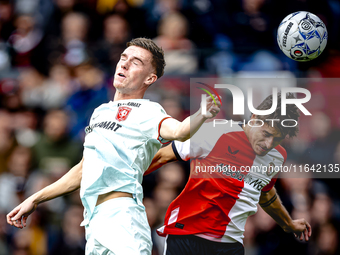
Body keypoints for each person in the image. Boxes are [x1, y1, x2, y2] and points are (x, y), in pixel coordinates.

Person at [6, 38, 221, 255]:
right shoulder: (100, 112)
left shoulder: (148, 111)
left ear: (150, 78)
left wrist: (203, 112)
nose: (125, 64)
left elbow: (179, 131)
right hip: (92, 219)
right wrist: (35, 199)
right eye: (123, 58)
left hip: (123, 217)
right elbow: (83, 170)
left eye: (136, 62)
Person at [145, 93, 312, 255]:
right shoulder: (216, 132)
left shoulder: (277, 156)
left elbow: (266, 194)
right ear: (254, 118)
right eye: (266, 134)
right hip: (186, 236)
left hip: (230, 245)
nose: (269, 144)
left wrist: (288, 224)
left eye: (277, 139)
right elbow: (160, 157)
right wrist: (124, 181)